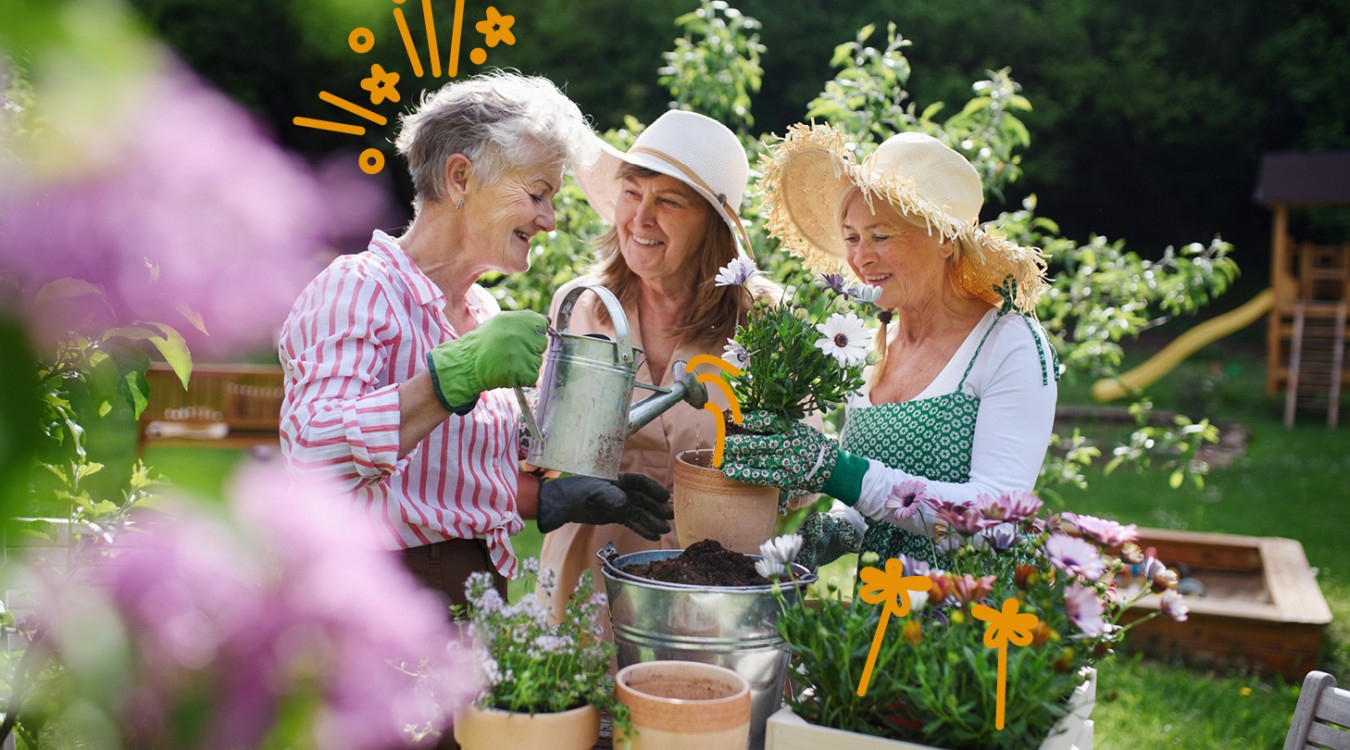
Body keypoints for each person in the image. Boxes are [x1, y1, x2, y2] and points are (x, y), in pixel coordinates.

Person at [278, 72, 674, 613]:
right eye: (537, 194)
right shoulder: (360, 288)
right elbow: (311, 456)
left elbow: (445, 481)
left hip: (473, 593)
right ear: (461, 178)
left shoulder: (483, 312)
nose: (550, 221)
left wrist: (555, 497)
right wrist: (449, 378)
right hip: (380, 597)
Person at [721, 125, 1057, 569]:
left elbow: (994, 517)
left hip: (967, 621)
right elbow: (871, 506)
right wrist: (835, 528)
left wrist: (835, 470)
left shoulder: (1007, 342)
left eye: (881, 237)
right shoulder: (870, 350)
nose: (861, 258)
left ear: (944, 239)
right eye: (852, 237)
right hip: (875, 624)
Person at [537, 109, 780, 618]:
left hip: (716, 584)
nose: (641, 217)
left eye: (668, 201)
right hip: (590, 577)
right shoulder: (583, 307)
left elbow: (798, 479)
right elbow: (542, 452)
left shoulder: (762, 320)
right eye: (632, 192)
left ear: (713, 227)